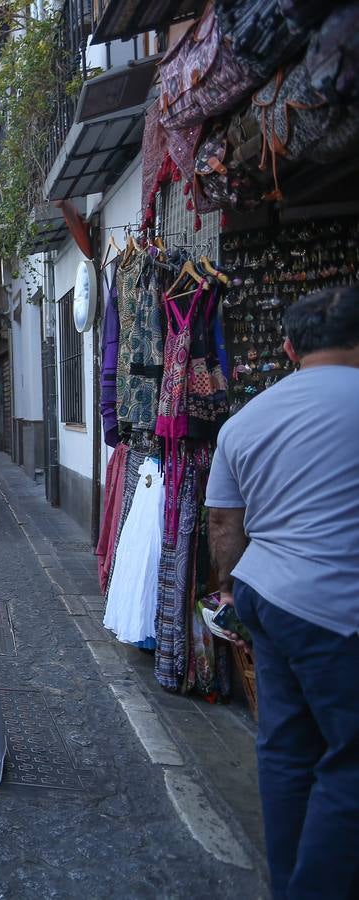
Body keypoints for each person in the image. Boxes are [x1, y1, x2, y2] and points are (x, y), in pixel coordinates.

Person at [204, 287, 359, 899]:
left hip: (266, 595)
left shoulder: (246, 420)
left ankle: (290, 878)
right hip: (338, 607)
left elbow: (222, 524)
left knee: (286, 747)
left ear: (290, 347)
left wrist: (231, 593)